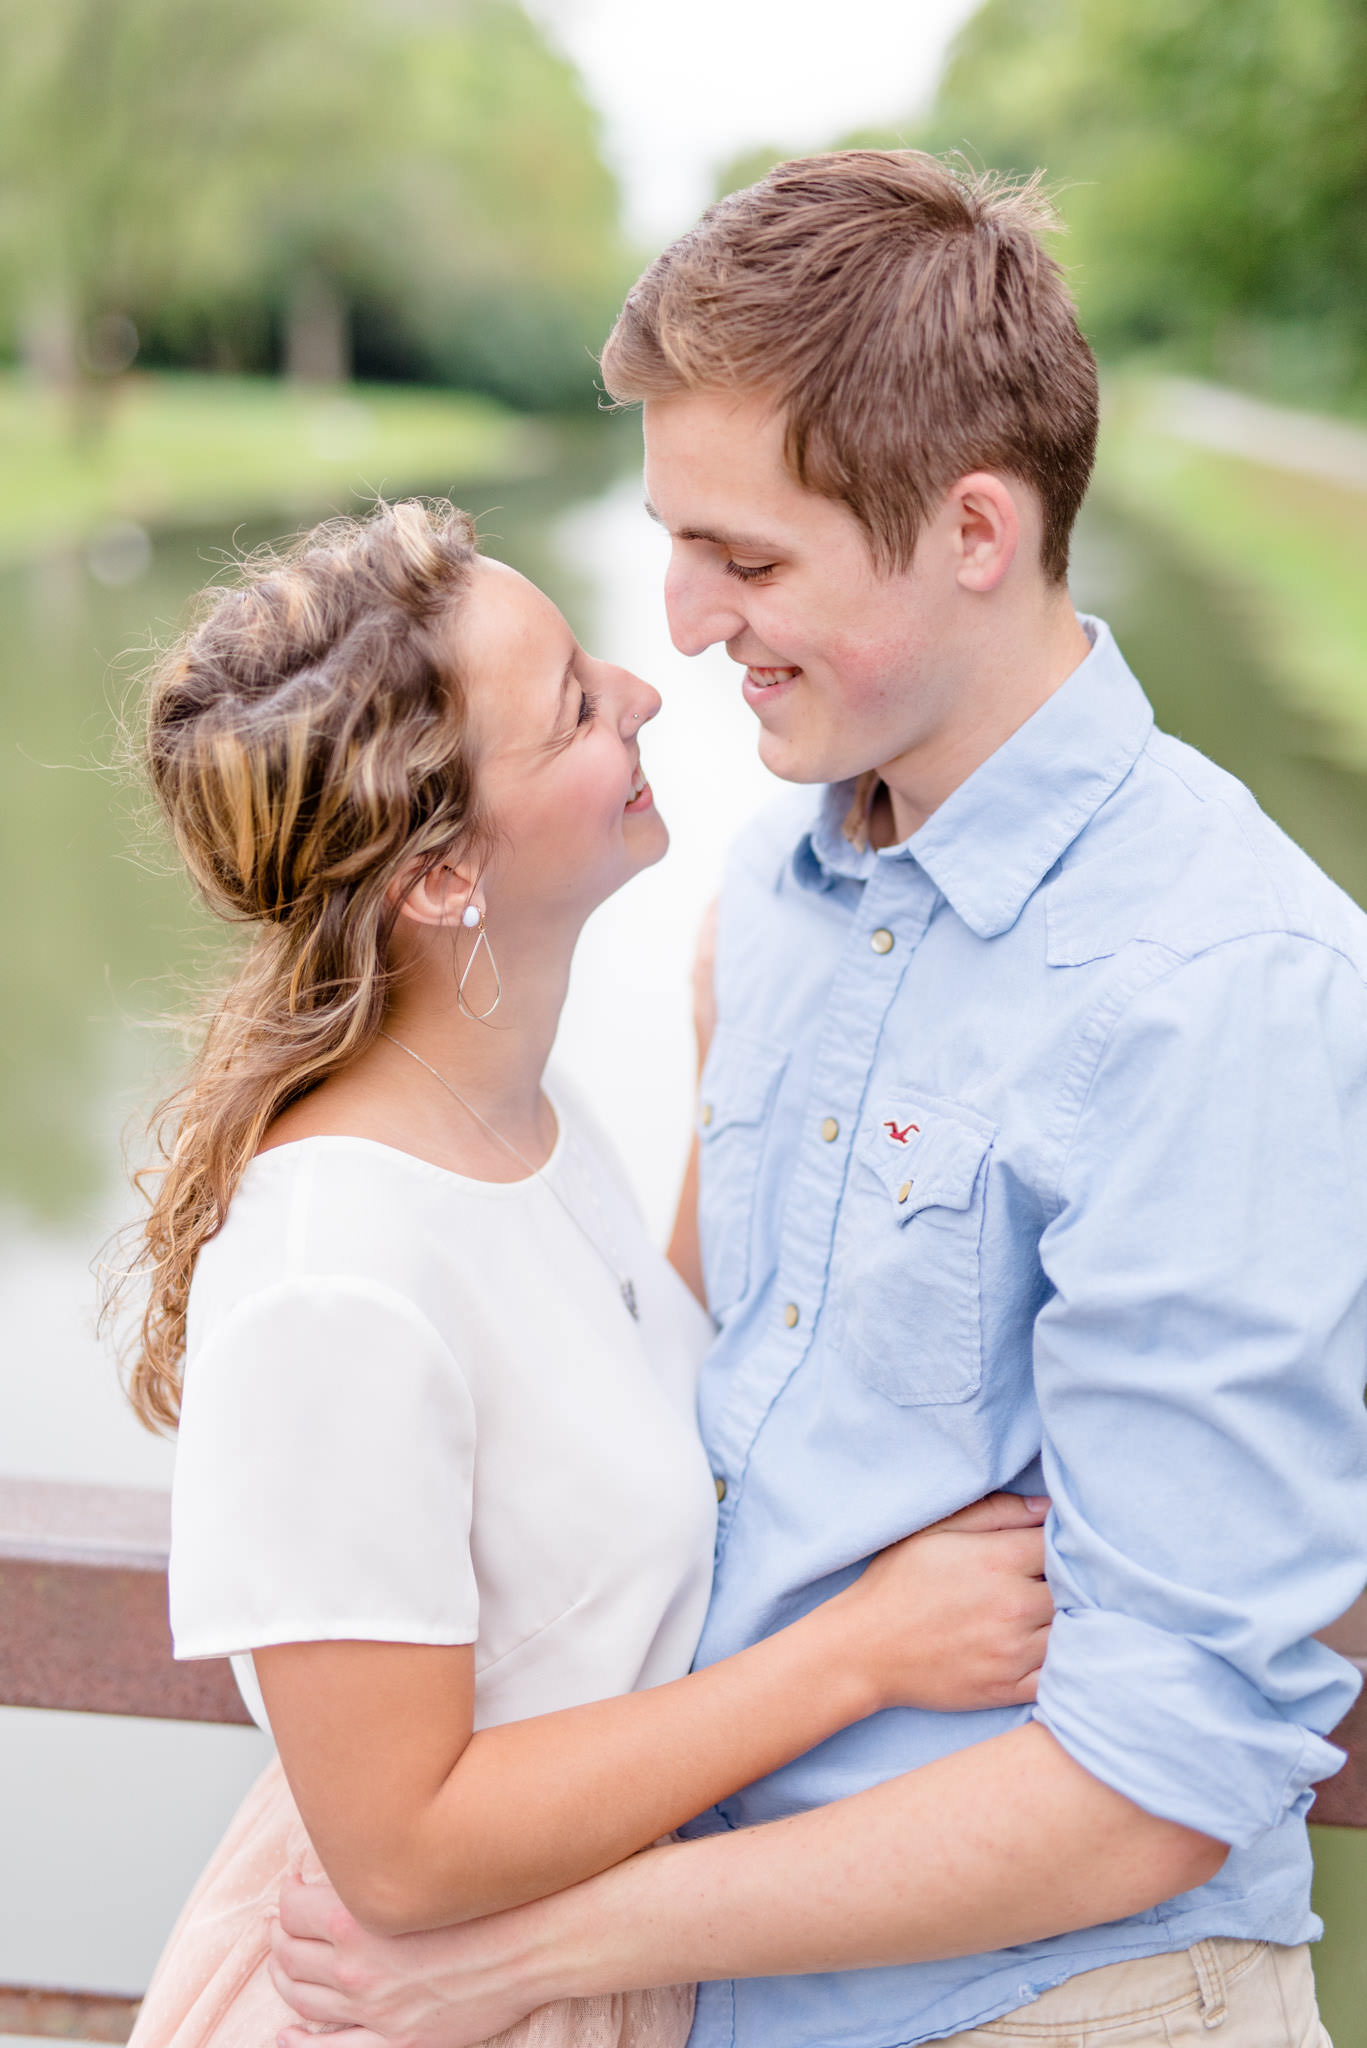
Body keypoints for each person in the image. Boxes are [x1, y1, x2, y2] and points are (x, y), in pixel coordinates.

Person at [267, 154, 1367, 2048]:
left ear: (975, 527)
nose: (685, 624)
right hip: (721, 1986)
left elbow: (1163, 1769)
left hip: (1052, 2009)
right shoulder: (785, 876)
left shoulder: (1226, 981)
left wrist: (524, 1946)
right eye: (674, 542)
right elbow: (697, 1421)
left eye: (751, 561)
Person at [116, 498, 1057, 2048]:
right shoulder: (330, 1277)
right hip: (436, 2007)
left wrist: (723, 1058)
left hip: (588, 1967)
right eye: (569, 705)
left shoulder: (509, 1122)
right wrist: (866, 1649)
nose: (637, 689)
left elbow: (625, 1390)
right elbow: (401, 1849)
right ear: (439, 875)